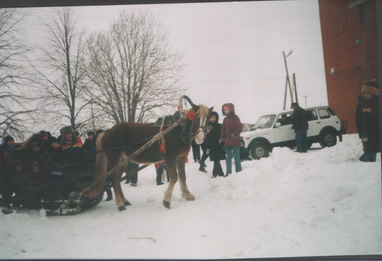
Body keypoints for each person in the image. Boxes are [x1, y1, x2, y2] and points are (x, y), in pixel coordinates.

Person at [355, 79, 380, 162]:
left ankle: (363, 162)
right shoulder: (361, 104)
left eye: (368, 93)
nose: (365, 95)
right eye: (364, 93)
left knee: (372, 151)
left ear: (374, 93)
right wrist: (361, 134)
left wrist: (372, 111)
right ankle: (363, 162)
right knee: (369, 151)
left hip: (376, 133)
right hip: (365, 133)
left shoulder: (377, 104)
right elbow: (357, 120)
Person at [220, 103, 243, 176]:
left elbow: (239, 127)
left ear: (231, 109)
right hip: (227, 141)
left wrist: (235, 134)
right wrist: (221, 138)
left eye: (226, 109)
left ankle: (238, 171)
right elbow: (223, 129)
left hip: (235, 139)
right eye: (224, 109)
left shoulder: (236, 118)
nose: (225, 110)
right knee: (228, 157)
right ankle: (228, 173)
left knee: (236, 156)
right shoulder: (225, 119)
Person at [206, 111, 225, 178]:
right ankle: (219, 174)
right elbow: (206, 138)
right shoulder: (207, 126)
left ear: (217, 118)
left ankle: (216, 174)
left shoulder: (220, 126)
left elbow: (223, 135)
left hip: (218, 146)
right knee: (216, 160)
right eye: (211, 117)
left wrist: (221, 140)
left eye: (214, 117)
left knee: (216, 160)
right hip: (211, 146)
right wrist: (207, 132)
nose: (212, 119)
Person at [0, 136, 15, 209]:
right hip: (3, 171)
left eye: (12, 141)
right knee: (4, 186)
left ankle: (6, 201)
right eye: (10, 141)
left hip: (9, 170)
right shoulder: (3, 148)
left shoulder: (11, 148)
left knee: (9, 186)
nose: (11, 142)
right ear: (6, 141)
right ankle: (6, 202)